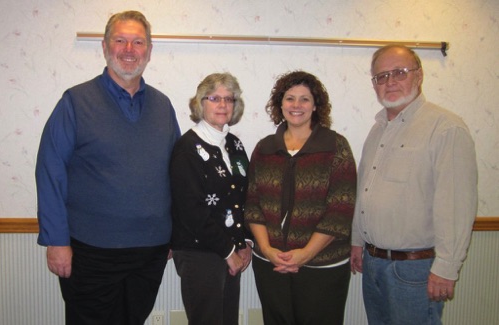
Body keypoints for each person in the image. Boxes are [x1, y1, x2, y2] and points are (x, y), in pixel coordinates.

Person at [35, 10, 181, 325]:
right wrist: (56, 240)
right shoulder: (75, 102)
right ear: (104, 46)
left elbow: (178, 176)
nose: (129, 50)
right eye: (120, 40)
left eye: (138, 42)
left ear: (149, 51)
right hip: (91, 252)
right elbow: (50, 172)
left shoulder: (163, 106)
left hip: (150, 250)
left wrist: (175, 236)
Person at [350, 45, 478, 325]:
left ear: (419, 76)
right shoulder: (377, 129)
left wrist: (447, 267)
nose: (390, 81)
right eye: (381, 76)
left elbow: (456, 205)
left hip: (415, 270)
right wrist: (357, 241)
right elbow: (365, 192)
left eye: (400, 72)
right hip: (373, 264)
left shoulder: (445, 128)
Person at [244, 70, 357, 325]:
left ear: (316, 105)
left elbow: (340, 210)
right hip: (271, 264)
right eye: (290, 98)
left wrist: (305, 254)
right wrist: (266, 249)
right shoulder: (265, 148)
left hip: (322, 267)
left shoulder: (335, 146)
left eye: (304, 99)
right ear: (280, 104)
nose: (296, 105)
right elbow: (252, 204)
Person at [170, 72, 253, 325]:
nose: (222, 105)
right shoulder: (187, 148)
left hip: (232, 250)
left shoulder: (235, 146)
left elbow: (245, 194)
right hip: (199, 253)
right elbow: (191, 210)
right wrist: (228, 251)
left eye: (229, 99)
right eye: (214, 98)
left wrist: (245, 241)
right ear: (200, 103)